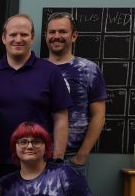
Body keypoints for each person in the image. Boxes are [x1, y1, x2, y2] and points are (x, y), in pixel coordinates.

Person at [0, 14, 71, 176]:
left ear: (32, 38)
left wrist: (58, 158)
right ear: (4, 38)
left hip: (37, 161)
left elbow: (61, 117)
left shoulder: (50, 72)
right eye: (13, 34)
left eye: (24, 34)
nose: (18, 39)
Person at [44, 12, 107, 175]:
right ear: (46, 36)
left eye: (62, 31)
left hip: (72, 159)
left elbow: (99, 115)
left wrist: (81, 156)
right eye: (52, 32)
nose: (56, 36)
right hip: (37, 157)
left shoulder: (88, 69)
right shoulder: (36, 69)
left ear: (74, 36)